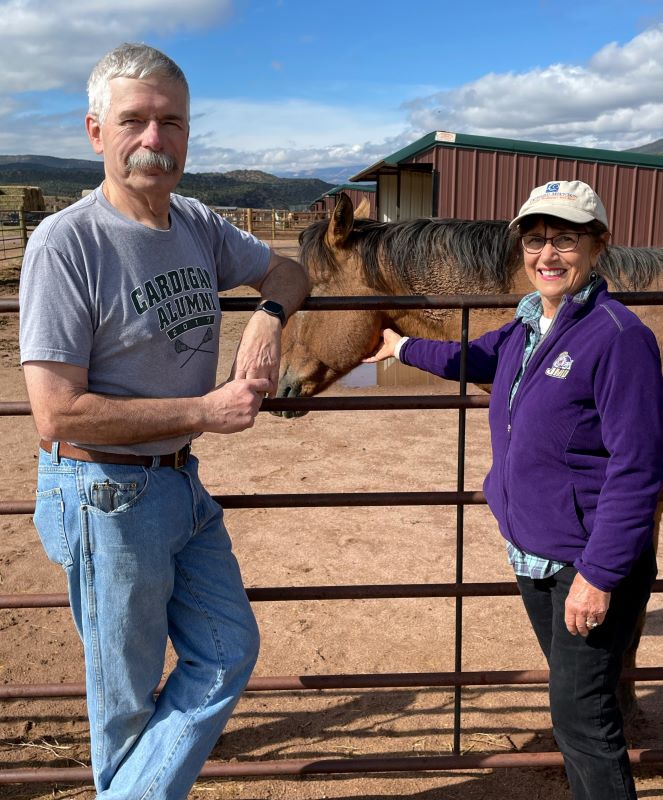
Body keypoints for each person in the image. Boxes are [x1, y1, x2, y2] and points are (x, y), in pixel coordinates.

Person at [18, 43, 309, 799]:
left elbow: (289, 269)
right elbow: (54, 411)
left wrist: (266, 318)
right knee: (125, 702)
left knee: (225, 651)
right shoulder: (67, 245)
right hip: (103, 492)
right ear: (95, 133)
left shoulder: (197, 224)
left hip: (178, 483)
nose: (155, 139)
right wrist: (204, 410)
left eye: (171, 122)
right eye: (135, 121)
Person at [364, 180, 663, 800]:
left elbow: (638, 468)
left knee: (583, 722)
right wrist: (400, 345)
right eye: (535, 239)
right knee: (575, 706)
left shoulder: (619, 337)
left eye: (565, 239)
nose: (547, 254)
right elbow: (468, 360)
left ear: (597, 246)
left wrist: (600, 575)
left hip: (585, 562)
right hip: (535, 552)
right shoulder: (526, 327)